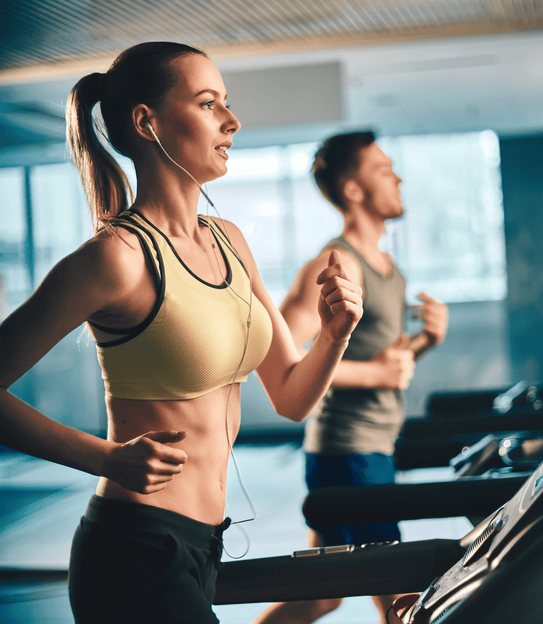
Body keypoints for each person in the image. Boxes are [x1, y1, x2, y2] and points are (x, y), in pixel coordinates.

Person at [0, 42, 363, 624]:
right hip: (134, 550)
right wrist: (107, 459)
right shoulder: (116, 259)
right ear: (148, 122)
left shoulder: (229, 239)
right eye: (208, 103)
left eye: (226, 103)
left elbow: (292, 396)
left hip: (204, 544)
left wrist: (336, 333)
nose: (232, 120)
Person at [253, 131, 448, 624]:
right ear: (354, 190)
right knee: (402, 599)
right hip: (348, 453)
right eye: (383, 170)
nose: (398, 177)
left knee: (323, 595)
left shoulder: (389, 269)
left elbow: (387, 367)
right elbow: (284, 353)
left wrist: (425, 343)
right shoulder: (334, 263)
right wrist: (375, 372)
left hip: (370, 449)